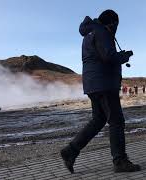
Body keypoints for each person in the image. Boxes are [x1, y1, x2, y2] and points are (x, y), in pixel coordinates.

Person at [60, 10, 140, 174]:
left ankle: (71, 151)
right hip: (104, 83)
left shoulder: (89, 32)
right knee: (116, 121)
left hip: (93, 84)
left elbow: (99, 56)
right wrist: (124, 56)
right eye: (116, 25)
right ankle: (120, 161)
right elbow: (108, 57)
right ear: (112, 23)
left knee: (98, 120)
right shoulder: (102, 32)